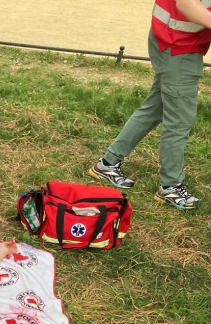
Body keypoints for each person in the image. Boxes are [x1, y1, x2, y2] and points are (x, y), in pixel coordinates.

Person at [89, 0, 211, 210]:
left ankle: (107, 164)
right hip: (178, 48)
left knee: (155, 108)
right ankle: (170, 186)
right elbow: (185, 3)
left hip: (172, 41)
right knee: (179, 121)